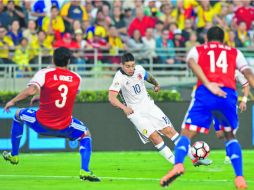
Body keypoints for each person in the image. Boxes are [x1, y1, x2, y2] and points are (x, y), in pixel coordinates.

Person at [160, 26, 254, 189]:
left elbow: (190, 62)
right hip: (227, 95)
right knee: (230, 136)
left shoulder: (198, 49)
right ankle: (239, 177)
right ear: (224, 40)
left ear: (206, 39)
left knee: (187, 133)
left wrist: (208, 83)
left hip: (206, 93)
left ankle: (178, 165)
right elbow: (248, 74)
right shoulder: (235, 52)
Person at [2, 47, 100, 182]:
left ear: (53, 59)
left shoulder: (44, 73)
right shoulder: (77, 78)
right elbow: (64, 95)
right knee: (86, 134)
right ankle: (85, 170)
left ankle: (14, 155)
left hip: (41, 123)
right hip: (65, 126)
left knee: (18, 115)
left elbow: (31, 91)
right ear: (69, 61)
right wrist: (42, 97)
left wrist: (13, 101)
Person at [108, 52, 212, 167]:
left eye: (132, 65)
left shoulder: (139, 70)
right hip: (135, 113)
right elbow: (111, 97)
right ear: (122, 65)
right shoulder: (119, 77)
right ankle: (176, 164)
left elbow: (148, 76)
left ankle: (195, 159)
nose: (131, 69)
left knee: (170, 131)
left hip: (150, 107)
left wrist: (156, 84)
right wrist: (124, 107)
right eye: (128, 66)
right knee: (155, 137)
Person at [214, 70, 249, 164]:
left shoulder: (235, 70)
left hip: (230, 104)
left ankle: (229, 155)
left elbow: (246, 85)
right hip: (216, 104)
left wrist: (244, 101)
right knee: (220, 134)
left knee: (230, 131)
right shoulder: (213, 67)